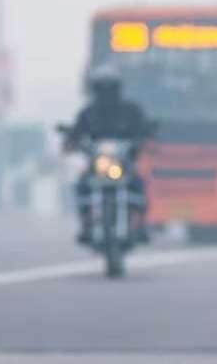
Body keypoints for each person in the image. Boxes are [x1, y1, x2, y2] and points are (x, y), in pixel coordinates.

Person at [65, 66, 153, 244]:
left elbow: (143, 128)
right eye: (102, 88)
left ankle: (141, 225)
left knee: (139, 185)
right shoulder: (88, 113)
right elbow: (76, 133)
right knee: (82, 186)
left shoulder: (130, 110)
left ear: (117, 88)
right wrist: (72, 140)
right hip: (97, 164)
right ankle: (86, 224)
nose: (106, 93)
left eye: (110, 88)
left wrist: (142, 139)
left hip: (123, 163)